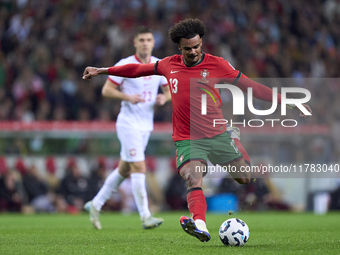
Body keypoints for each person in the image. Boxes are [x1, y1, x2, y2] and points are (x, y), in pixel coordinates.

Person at [82, 18, 312, 242]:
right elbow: (136, 70)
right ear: (179, 47)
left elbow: (251, 87)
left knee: (244, 177)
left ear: (202, 42)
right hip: (188, 139)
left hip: (219, 134)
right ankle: (200, 225)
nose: (193, 52)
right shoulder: (168, 64)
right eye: (187, 48)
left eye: (197, 46)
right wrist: (103, 71)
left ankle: (233, 138)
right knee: (193, 178)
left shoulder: (218, 64)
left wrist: (288, 102)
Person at [84, 26, 171, 230]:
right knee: (139, 167)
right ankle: (145, 216)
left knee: (124, 169)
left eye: (148, 40)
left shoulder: (159, 65)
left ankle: (95, 204)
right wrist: (127, 96)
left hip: (145, 126)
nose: (145, 43)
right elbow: (106, 90)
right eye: (141, 40)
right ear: (135, 42)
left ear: (153, 42)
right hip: (128, 123)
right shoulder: (125, 64)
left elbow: (169, 92)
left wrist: (163, 98)